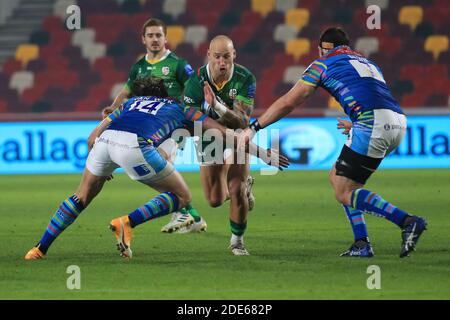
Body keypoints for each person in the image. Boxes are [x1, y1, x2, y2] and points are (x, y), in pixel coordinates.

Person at [24, 76, 288, 260]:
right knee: (183, 197)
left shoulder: (129, 104)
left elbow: (92, 138)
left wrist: (106, 167)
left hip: (104, 143)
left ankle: (39, 248)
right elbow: (225, 134)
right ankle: (127, 223)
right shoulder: (183, 109)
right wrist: (263, 154)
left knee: (80, 197)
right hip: (136, 146)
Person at [238, 27, 427, 258]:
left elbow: (290, 101)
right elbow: (372, 93)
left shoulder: (323, 63)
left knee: (344, 188)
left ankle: (407, 221)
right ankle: (361, 243)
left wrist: (255, 127)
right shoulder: (368, 62)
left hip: (372, 125)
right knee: (339, 178)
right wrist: (356, 123)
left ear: (322, 48)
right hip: (397, 121)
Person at [102, 18, 204, 234]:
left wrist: (191, 114)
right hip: (150, 125)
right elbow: (126, 91)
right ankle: (193, 216)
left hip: (174, 124)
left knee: (162, 159)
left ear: (166, 38)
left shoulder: (178, 64)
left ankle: (184, 213)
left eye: (159, 35)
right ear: (143, 39)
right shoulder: (139, 67)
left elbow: (194, 90)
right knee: (162, 167)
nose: (155, 39)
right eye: (151, 35)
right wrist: (113, 108)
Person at [163, 35, 258, 256]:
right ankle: (244, 187)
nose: (222, 62)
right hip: (208, 136)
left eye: (227, 56)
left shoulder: (245, 78)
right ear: (209, 56)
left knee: (236, 188)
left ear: (234, 54)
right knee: (215, 200)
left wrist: (217, 106)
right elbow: (190, 116)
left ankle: (237, 242)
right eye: (217, 57)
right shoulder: (196, 81)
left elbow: (243, 121)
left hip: (237, 135)